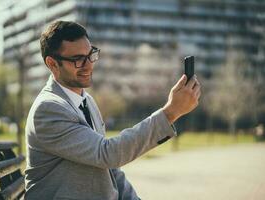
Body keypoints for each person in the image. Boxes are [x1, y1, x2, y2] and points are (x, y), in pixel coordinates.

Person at [24, 21, 201, 200]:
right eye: (78, 59)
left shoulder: (87, 101)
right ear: (52, 63)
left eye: (90, 55)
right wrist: (170, 112)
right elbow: (107, 154)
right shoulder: (48, 109)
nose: (89, 65)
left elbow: (110, 170)